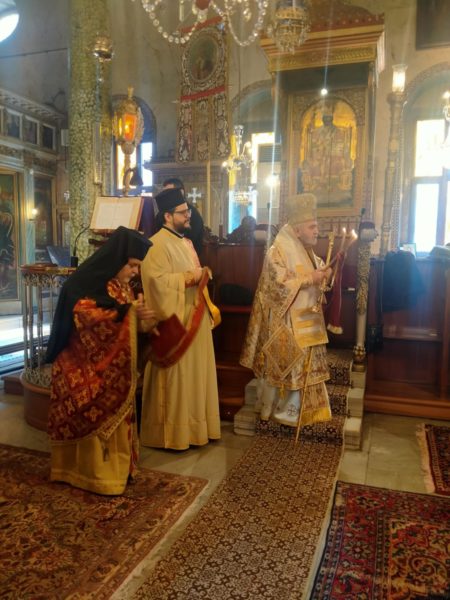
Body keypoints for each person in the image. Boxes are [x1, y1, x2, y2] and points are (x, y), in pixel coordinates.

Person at [45, 226, 156, 495]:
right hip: (80, 364)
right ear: (117, 260)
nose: (135, 272)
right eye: (132, 265)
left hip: (110, 364)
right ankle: (92, 475)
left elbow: (124, 319)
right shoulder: (83, 282)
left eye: (138, 267)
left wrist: (142, 322)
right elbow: (87, 317)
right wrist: (129, 314)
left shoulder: (122, 287)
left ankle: (117, 471)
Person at [240, 193, 333, 429]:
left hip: (305, 318)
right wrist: (310, 279)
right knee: (290, 364)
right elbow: (277, 285)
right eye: (312, 227)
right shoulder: (277, 250)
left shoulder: (305, 248)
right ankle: (285, 411)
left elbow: (316, 269)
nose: (317, 231)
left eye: (316, 226)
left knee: (305, 363)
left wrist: (324, 273)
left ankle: (306, 409)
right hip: (286, 321)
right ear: (298, 230)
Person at [139, 186, 221, 450]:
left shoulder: (185, 242)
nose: (189, 216)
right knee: (178, 380)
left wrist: (201, 276)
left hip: (194, 318)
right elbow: (156, 283)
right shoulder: (156, 245)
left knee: (196, 378)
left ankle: (197, 429)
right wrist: (191, 277)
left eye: (188, 211)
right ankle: (173, 435)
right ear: (167, 216)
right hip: (176, 325)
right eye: (183, 212)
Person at [162, 177, 204, 258]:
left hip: (186, 258)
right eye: (164, 193)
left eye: (169, 193)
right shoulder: (163, 214)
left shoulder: (193, 214)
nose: (165, 197)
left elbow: (189, 241)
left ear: (181, 192)